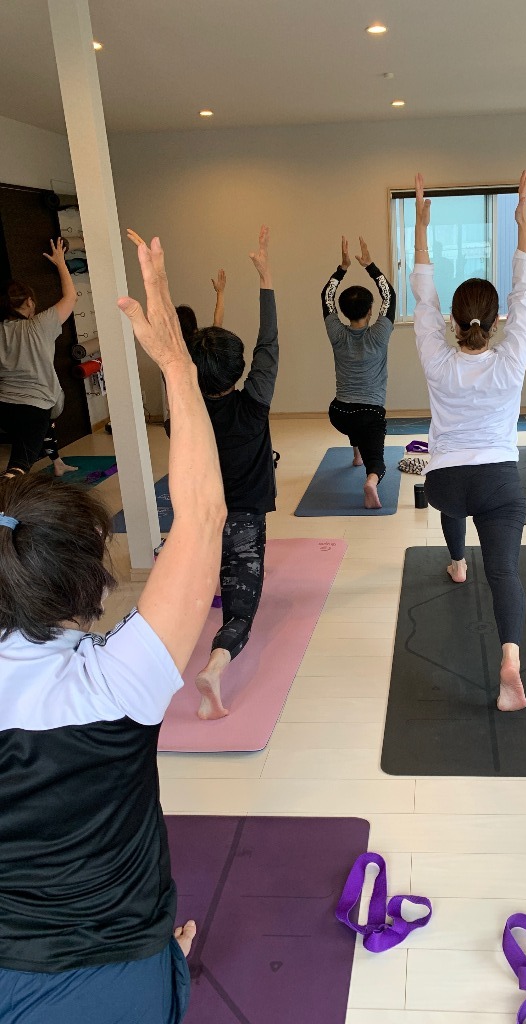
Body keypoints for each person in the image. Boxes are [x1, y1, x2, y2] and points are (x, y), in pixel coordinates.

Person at [0, 232, 227, 1021]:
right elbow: (201, 517)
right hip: (116, 975)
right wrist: (177, 369)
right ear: (91, 582)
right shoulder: (113, 682)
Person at [410, 170, 526, 713]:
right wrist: (522, 222)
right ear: (495, 320)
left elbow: (423, 295)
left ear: (455, 322)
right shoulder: (511, 358)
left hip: (445, 485)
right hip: (499, 483)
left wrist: (420, 226)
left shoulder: (437, 359)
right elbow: (524, 295)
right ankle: (510, 660)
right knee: (504, 572)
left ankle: (458, 562)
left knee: (454, 500)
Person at [188, 226, 278, 720]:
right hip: (242, 521)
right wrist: (266, 279)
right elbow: (269, 343)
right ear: (239, 369)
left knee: (204, 584)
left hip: (198, 523)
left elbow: (201, 364)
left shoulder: (186, 406)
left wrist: (219, 300)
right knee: (239, 610)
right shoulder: (254, 404)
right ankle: (216, 665)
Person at [321, 235, 396, 509]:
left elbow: (326, 297)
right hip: (369, 414)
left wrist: (342, 269)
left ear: (342, 311)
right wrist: (370, 266)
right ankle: (371, 482)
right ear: (371, 309)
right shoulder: (379, 334)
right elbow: (390, 296)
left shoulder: (336, 333)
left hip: (339, 413)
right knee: (377, 461)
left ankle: (356, 454)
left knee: (356, 423)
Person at [0, 239, 78, 477]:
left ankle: (58, 463)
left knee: (45, 424)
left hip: (5, 408)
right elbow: (71, 297)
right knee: (18, 468)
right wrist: (61, 263)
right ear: (29, 302)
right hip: (34, 407)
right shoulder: (39, 324)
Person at [164, 269, 226, 436]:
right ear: (194, 327)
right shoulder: (203, 348)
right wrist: (220, 293)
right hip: (207, 415)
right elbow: (218, 321)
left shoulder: (169, 355)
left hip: (180, 421)